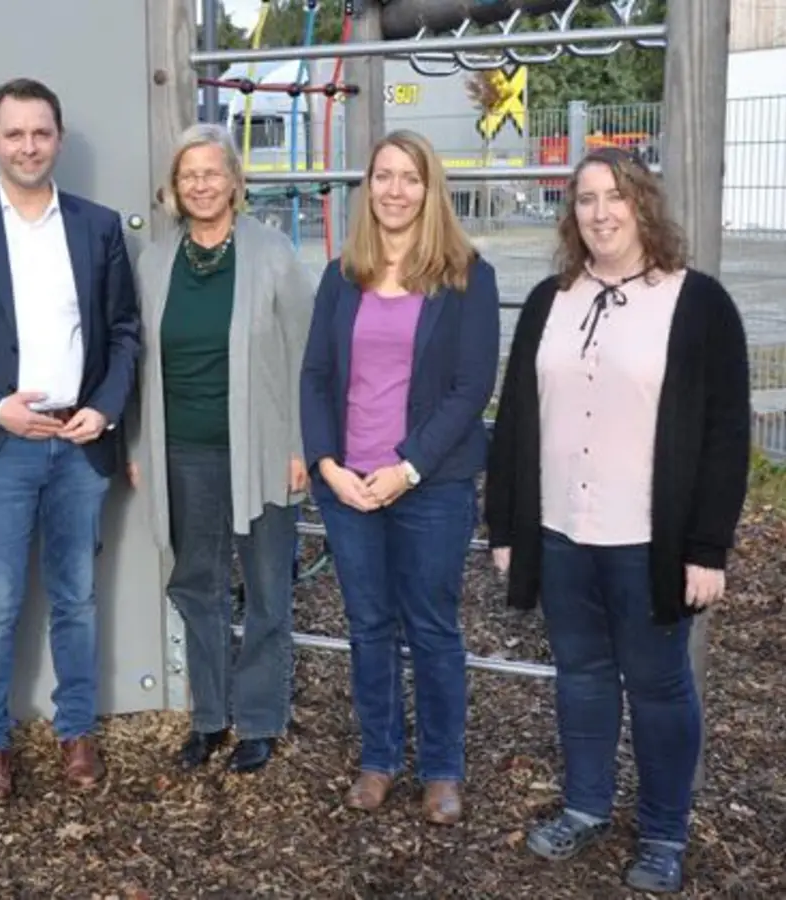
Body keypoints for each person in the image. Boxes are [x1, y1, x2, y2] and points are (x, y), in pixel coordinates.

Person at [482, 146, 750, 894]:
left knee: (660, 685)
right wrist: (507, 528)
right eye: (585, 200)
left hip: (648, 541)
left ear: (643, 205)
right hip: (564, 531)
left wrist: (707, 547)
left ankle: (664, 831)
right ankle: (586, 806)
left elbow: (728, 433)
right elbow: (513, 425)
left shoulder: (696, 304)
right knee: (583, 676)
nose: (600, 213)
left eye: (614, 198)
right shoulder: (549, 300)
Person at [0, 77, 140, 804]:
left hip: (79, 440)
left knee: (75, 598)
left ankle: (76, 732)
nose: (29, 145)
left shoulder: (98, 227)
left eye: (41, 132)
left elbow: (126, 332)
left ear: (58, 139)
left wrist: (104, 409)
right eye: (15, 133)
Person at [298, 129, 501, 825]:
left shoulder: (466, 274)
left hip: (431, 485)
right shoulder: (341, 275)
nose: (394, 190)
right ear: (368, 189)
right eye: (382, 176)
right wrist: (327, 463)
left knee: (433, 627)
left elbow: (472, 387)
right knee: (368, 626)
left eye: (408, 177)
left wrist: (406, 468)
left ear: (430, 187)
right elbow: (317, 375)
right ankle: (379, 758)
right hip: (349, 485)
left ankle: (442, 769)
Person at [126, 124, 314, 774]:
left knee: (266, 588)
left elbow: (304, 359)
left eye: (213, 172)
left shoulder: (274, 254)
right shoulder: (155, 261)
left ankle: (260, 719)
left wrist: (299, 445)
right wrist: (139, 447)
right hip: (181, 450)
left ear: (235, 180)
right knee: (196, 583)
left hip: (261, 449)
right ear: (175, 188)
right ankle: (210, 716)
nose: (201, 185)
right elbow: (140, 362)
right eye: (189, 175)